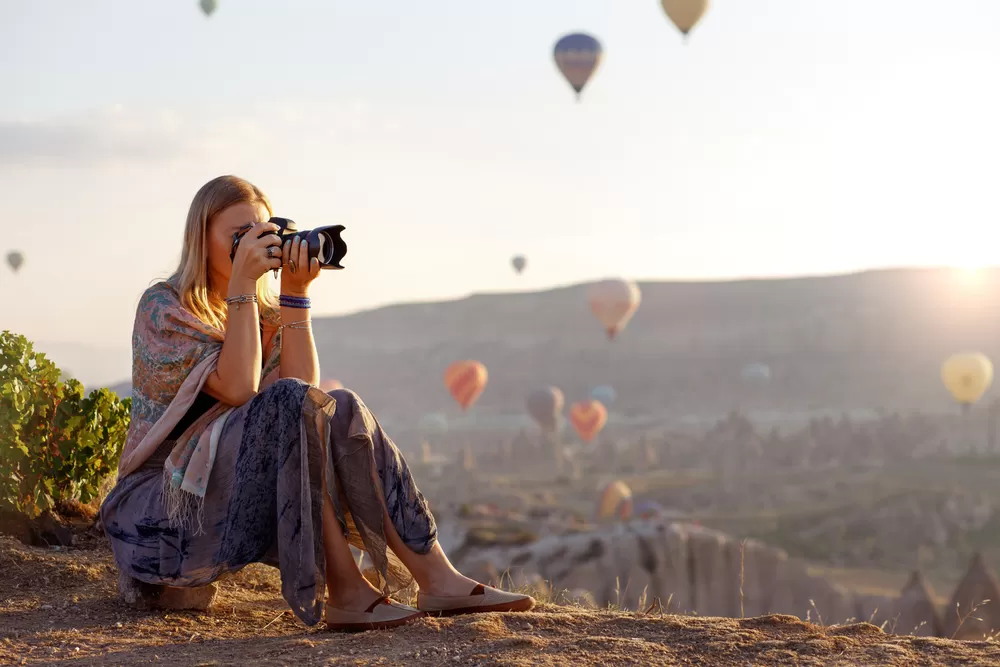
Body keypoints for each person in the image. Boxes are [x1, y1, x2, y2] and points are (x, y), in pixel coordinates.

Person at [100, 175, 533, 631]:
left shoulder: (262, 315)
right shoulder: (164, 307)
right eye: (239, 236)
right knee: (290, 402)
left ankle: (437, 577)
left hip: (229, 500)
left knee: (340, 406)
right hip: (160, 517)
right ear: (200, 239)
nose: (255, 246)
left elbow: (306, 398)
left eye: (263, 234)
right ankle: (345, 591)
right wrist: (243, 283)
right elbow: (240, 388)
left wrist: (296, 294)